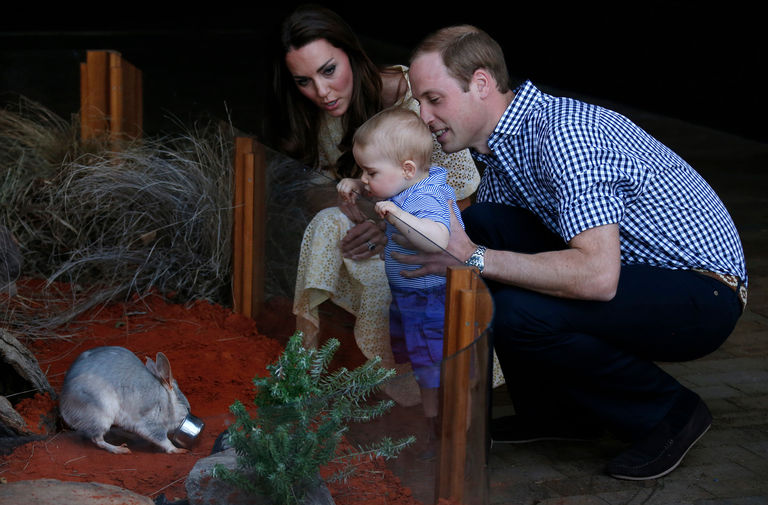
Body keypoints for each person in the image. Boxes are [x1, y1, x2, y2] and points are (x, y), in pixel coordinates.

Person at [402, 24, 747, 480]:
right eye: (419, 103)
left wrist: (477, 257)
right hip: (636, 275)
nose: (424, 116)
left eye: (434, 99)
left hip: (702, 294)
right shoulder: (503, 152)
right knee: (486, 225)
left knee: (517, 309)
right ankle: (560, 415)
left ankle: (670, 413)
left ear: (480, 84)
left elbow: (597, 276)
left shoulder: (564, 133)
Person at [269, 6, 496, 406]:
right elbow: (316, 182)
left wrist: (394, 224)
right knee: (325, 223)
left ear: (352, 55)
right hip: (386, 231)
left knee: (422, 324)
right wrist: (355, 206)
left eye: (328, 70)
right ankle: (311, 355)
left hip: (441, 235)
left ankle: (434, 399)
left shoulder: (417, 103)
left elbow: (463, 193)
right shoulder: (324, 109)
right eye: (304, 81)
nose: (321, 92)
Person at [337, 107, 464, 426]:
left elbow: (437, 238)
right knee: (423, 365)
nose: (366, 180)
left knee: (436, 365)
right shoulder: (408, 185)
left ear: (407, 168)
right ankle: (434, 419)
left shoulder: (426, 198)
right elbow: (386, 185)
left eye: (370, 173)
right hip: (412, 296)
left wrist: (397, 216)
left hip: (432, 299)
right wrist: (359, 183)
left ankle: (447, 426)